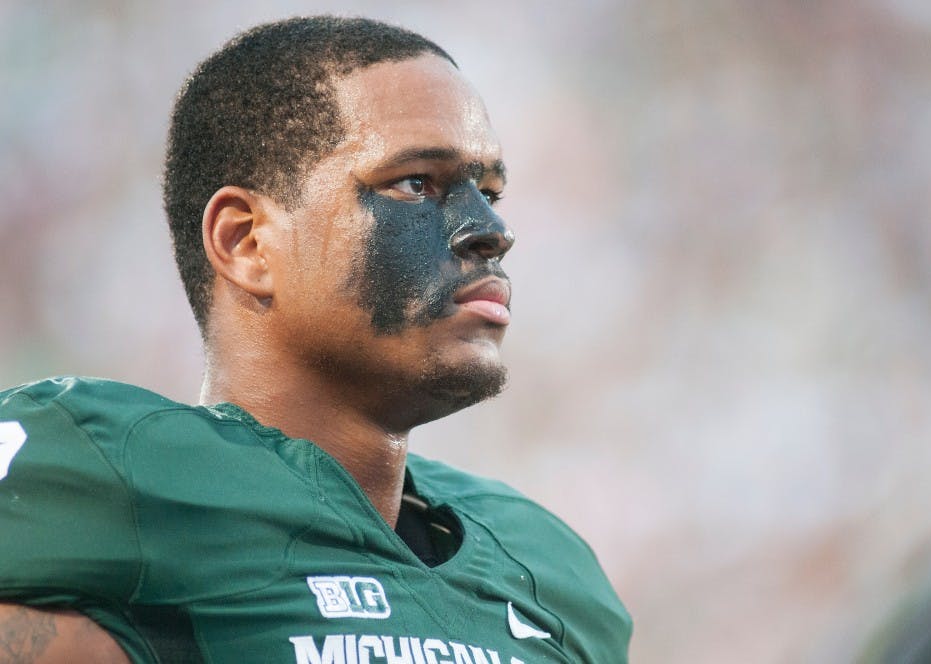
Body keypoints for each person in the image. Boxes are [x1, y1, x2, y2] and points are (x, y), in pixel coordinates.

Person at [0, 15, 631, 664]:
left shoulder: (549, 571)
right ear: (246, 242)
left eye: (490, 191)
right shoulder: (106, 478)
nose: (490, 228)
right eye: (416, 183)